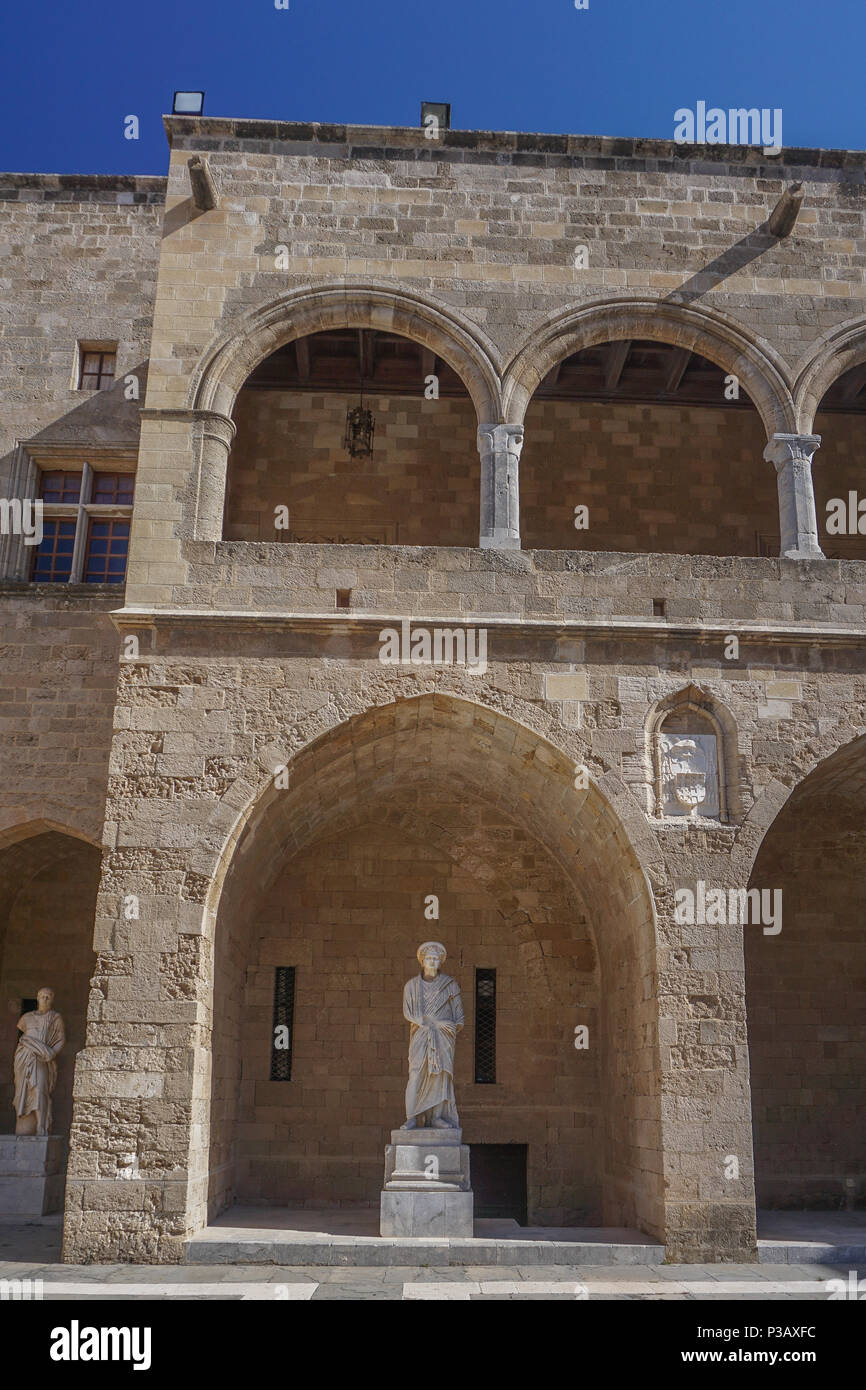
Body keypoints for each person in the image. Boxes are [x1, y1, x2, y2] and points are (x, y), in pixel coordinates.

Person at [403, 942, 463, 1129]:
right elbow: (408, 1012)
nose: (432, 961)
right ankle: (411, 1117)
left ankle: (437, 1117)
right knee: (415, 1074)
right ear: (422, 961)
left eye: (436, 958)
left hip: (444, 1036)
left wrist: (445, 1026)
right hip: (421, 1034)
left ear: (440, 962)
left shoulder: (450, 985)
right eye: (429, 958)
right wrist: (430, 1022)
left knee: (441, 1076)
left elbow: (459, 1016)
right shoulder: (412, 986)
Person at [13, 987, 65, 1136]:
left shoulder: (55, 1017)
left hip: (42, 1057)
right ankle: (24, 1126)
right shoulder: (26, 1017)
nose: (45, 999)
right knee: (22, 1089)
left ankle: (41, 1126)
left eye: (48, 996)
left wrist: (52, 1053)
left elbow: (61, 1039)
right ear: (37, 998)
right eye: (43, 996)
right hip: (24, 1057)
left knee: (40, 1089)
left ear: (52, 999)